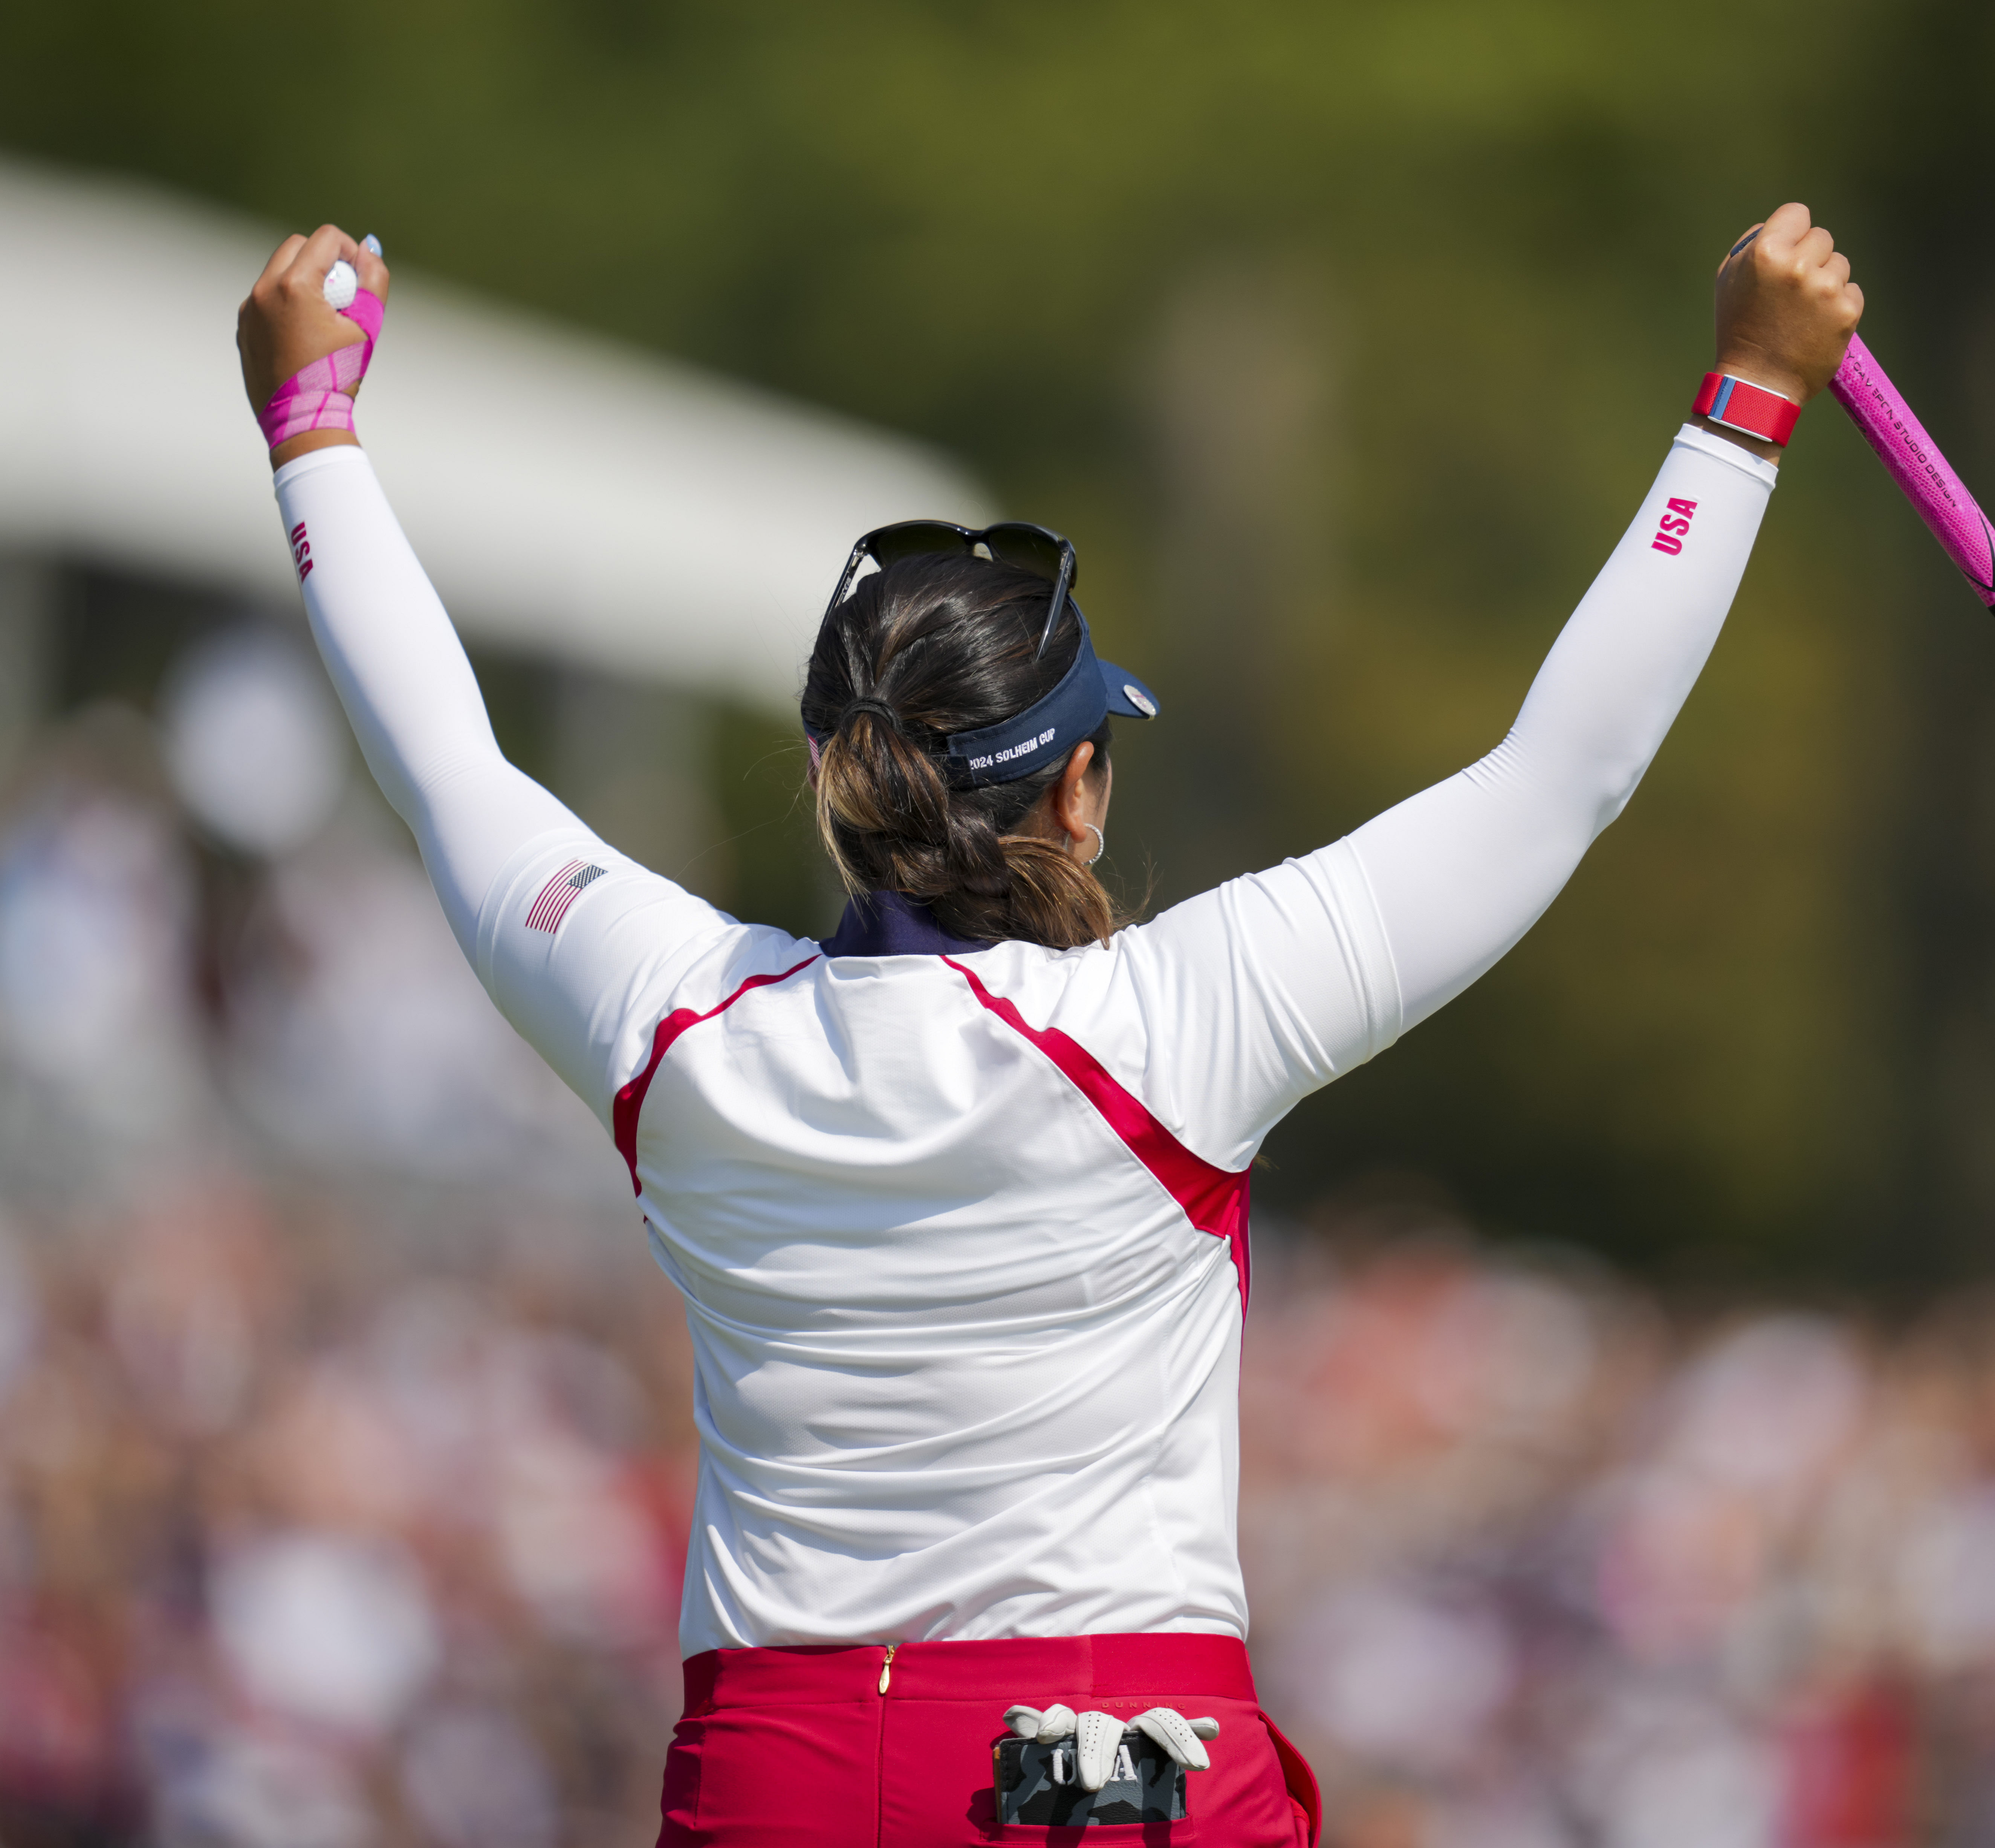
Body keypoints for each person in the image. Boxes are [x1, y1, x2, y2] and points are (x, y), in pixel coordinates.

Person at [235, 205, 1863, 1848]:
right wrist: (1747, 398)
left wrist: (314, 429)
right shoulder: (1183, 1018)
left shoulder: (675, 1022)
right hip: (1102, 1768)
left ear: (831, 782)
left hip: (773, 1776)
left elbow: (449, 770)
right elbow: (1561, 773)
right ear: (1080, 790)